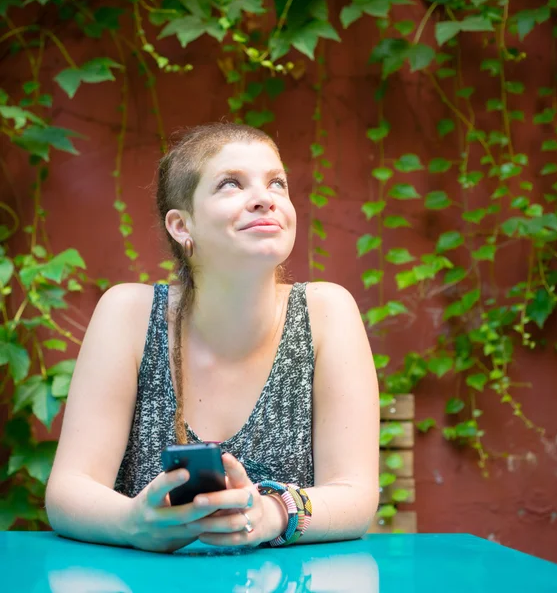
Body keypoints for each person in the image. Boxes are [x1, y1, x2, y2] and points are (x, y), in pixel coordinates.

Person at [45, 123, 380, 553]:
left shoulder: (327, 313)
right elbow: (68, 491)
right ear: (181, 226)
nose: (266, 197)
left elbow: (356, 494)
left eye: (277, 182)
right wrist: (131, 523)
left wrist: (271, 515)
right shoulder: (128, 314)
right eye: (230, 184)